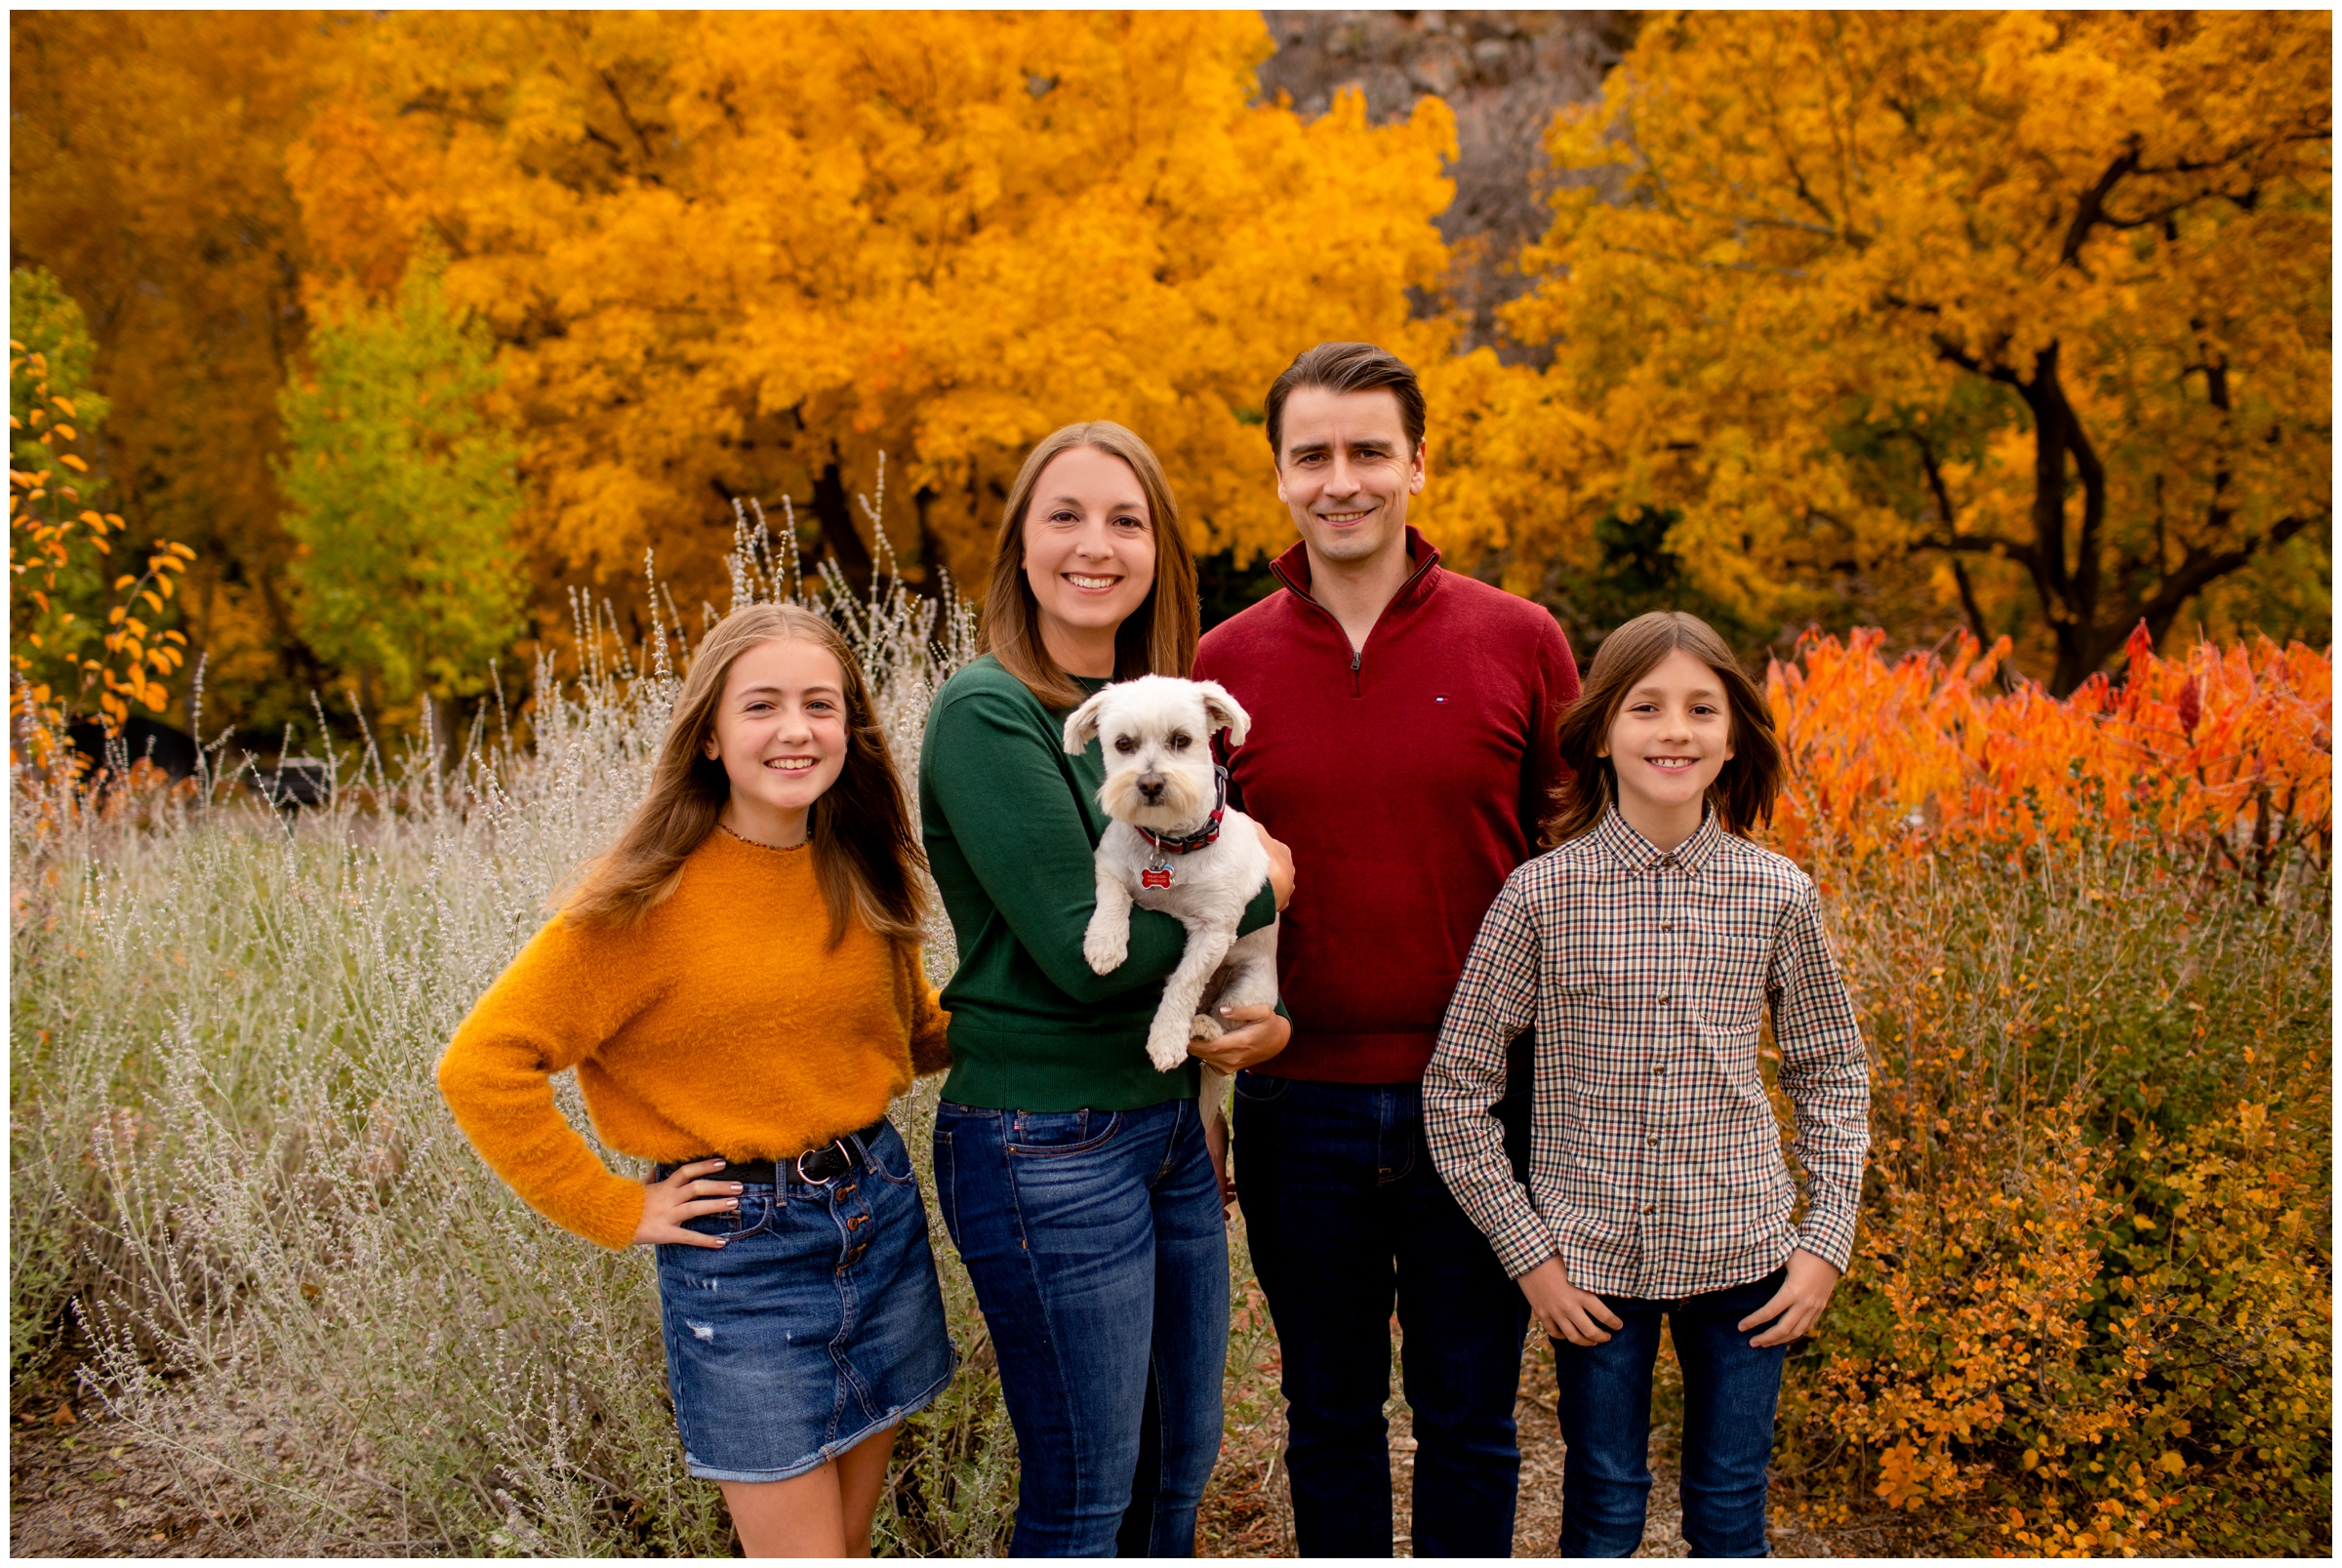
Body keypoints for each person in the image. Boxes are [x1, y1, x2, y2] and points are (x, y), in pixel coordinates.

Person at [437, 603, 957, 1557]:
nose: (795, 729)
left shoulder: (860, 868)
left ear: (852, 726)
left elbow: (914, 1034)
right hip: (745, 1255)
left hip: (878, 1215)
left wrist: (1075, 996)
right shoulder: (642, 897)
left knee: (844, 1539)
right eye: (761, 705)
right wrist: (613, 1207)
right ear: (711, 734)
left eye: (820, 704)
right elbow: (481, 1063)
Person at [1191, 342, 1582, 1556]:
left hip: (1481, 1103)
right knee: (1329, 1420)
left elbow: (1579, 862)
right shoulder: (1223, 663)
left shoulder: (1520, 640)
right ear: (1279, 476)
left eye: (1369, 450)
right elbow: (1193, 891)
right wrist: (1203, 1086)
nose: (1341, 479)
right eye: (1313, 454)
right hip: (1297, 1103)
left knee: (1470, 1420)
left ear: (1418, 462)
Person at [918, 420, 1297, 1556]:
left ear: (1159, 551)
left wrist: (1238, 1051)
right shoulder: (990, 712)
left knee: (1169, 1487)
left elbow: (1191, 925)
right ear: (1020, 548)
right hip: (1044, 1140)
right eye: (1065, 516)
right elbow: (1081, 955)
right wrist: (1269, 883)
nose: (1097, 545)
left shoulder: (1164, 713)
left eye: (1126, 520)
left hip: (1165, 1129)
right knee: (1087, 1500)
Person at [1423, 610, 1873, 1557]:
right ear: (1598, 735)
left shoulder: (1777, 892)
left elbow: (1832, 1069)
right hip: (1589, 1266)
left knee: (1728, 1505)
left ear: (1734, 734)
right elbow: (1456, 1087)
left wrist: (1824, 1242)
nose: (1675, 729)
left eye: (1701, 708)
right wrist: (1530, 1257)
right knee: (1605, 1504)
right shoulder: (1541, 895)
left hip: (1746, 1258)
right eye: (1646, 706)